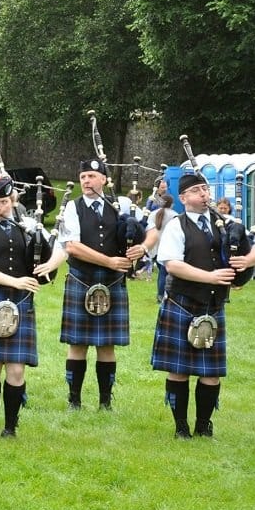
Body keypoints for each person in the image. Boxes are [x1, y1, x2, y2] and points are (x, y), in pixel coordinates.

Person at [152, 172, 255, 438]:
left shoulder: (226, 223)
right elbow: (172, 264)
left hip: (213, 306)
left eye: (205, 189)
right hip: (182, 303)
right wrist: (211, 277)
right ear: (183, 198)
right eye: (196, 191)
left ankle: (203, 425)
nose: (203, 194)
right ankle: (181, 427)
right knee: (178, 370)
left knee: (211, 373)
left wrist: (247, 261)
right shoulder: (176, 226)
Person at [0, 175, 66, 439]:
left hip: (21, 302)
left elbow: (62, 248)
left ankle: (11, 427)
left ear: (13, 200)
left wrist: (49, 265)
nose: (0, 207)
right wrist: (16, 281)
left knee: (17, 369)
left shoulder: (28, 224)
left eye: (5, 202)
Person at [60, 159, 155, 410]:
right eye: (83, 177)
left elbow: (154, 229)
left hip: (112, 283)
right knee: (77, 344)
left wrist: (142, 247)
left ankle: (105, 402)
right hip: (82, 278)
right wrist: (109, 262)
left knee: (107, 344)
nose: (86, 181)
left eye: (91, 176)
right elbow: (72, 246)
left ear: (104, 179)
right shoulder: (73, 207)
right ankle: (74, 400)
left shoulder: (121, 205)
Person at [148, 193, 177, 303]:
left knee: (162, 273)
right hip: (168, 248)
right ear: (172, 204)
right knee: (165, 273)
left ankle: (160, 295)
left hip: (154, 248)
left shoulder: (152, 214)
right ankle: (164, 295)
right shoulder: (174, 215)